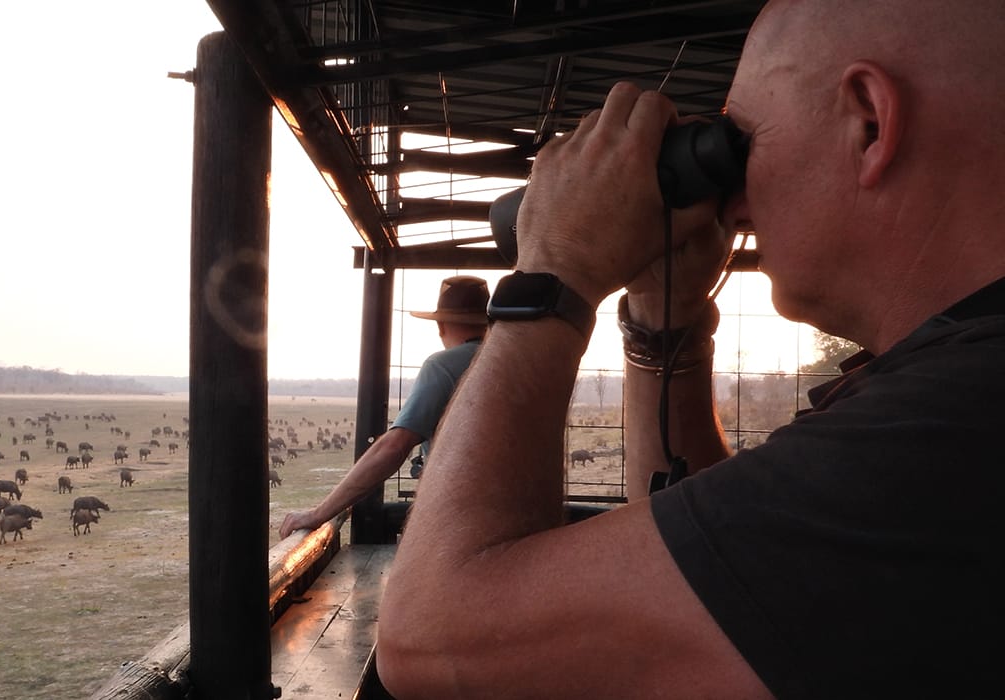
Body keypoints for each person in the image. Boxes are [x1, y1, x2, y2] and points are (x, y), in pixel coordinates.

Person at [376, 2, 1005, 698]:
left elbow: (432, 638)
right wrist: (662, 315)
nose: (731, 202)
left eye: (742, 141)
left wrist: (554, 271)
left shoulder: (959, 427)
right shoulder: (953, 400)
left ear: (870, 122)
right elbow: (726, 567)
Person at [278, 275, 489, 539]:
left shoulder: (444, 366)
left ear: (441, 326)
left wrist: (319, 513)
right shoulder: (514, 365)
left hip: (462, 524)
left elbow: (394, 446)